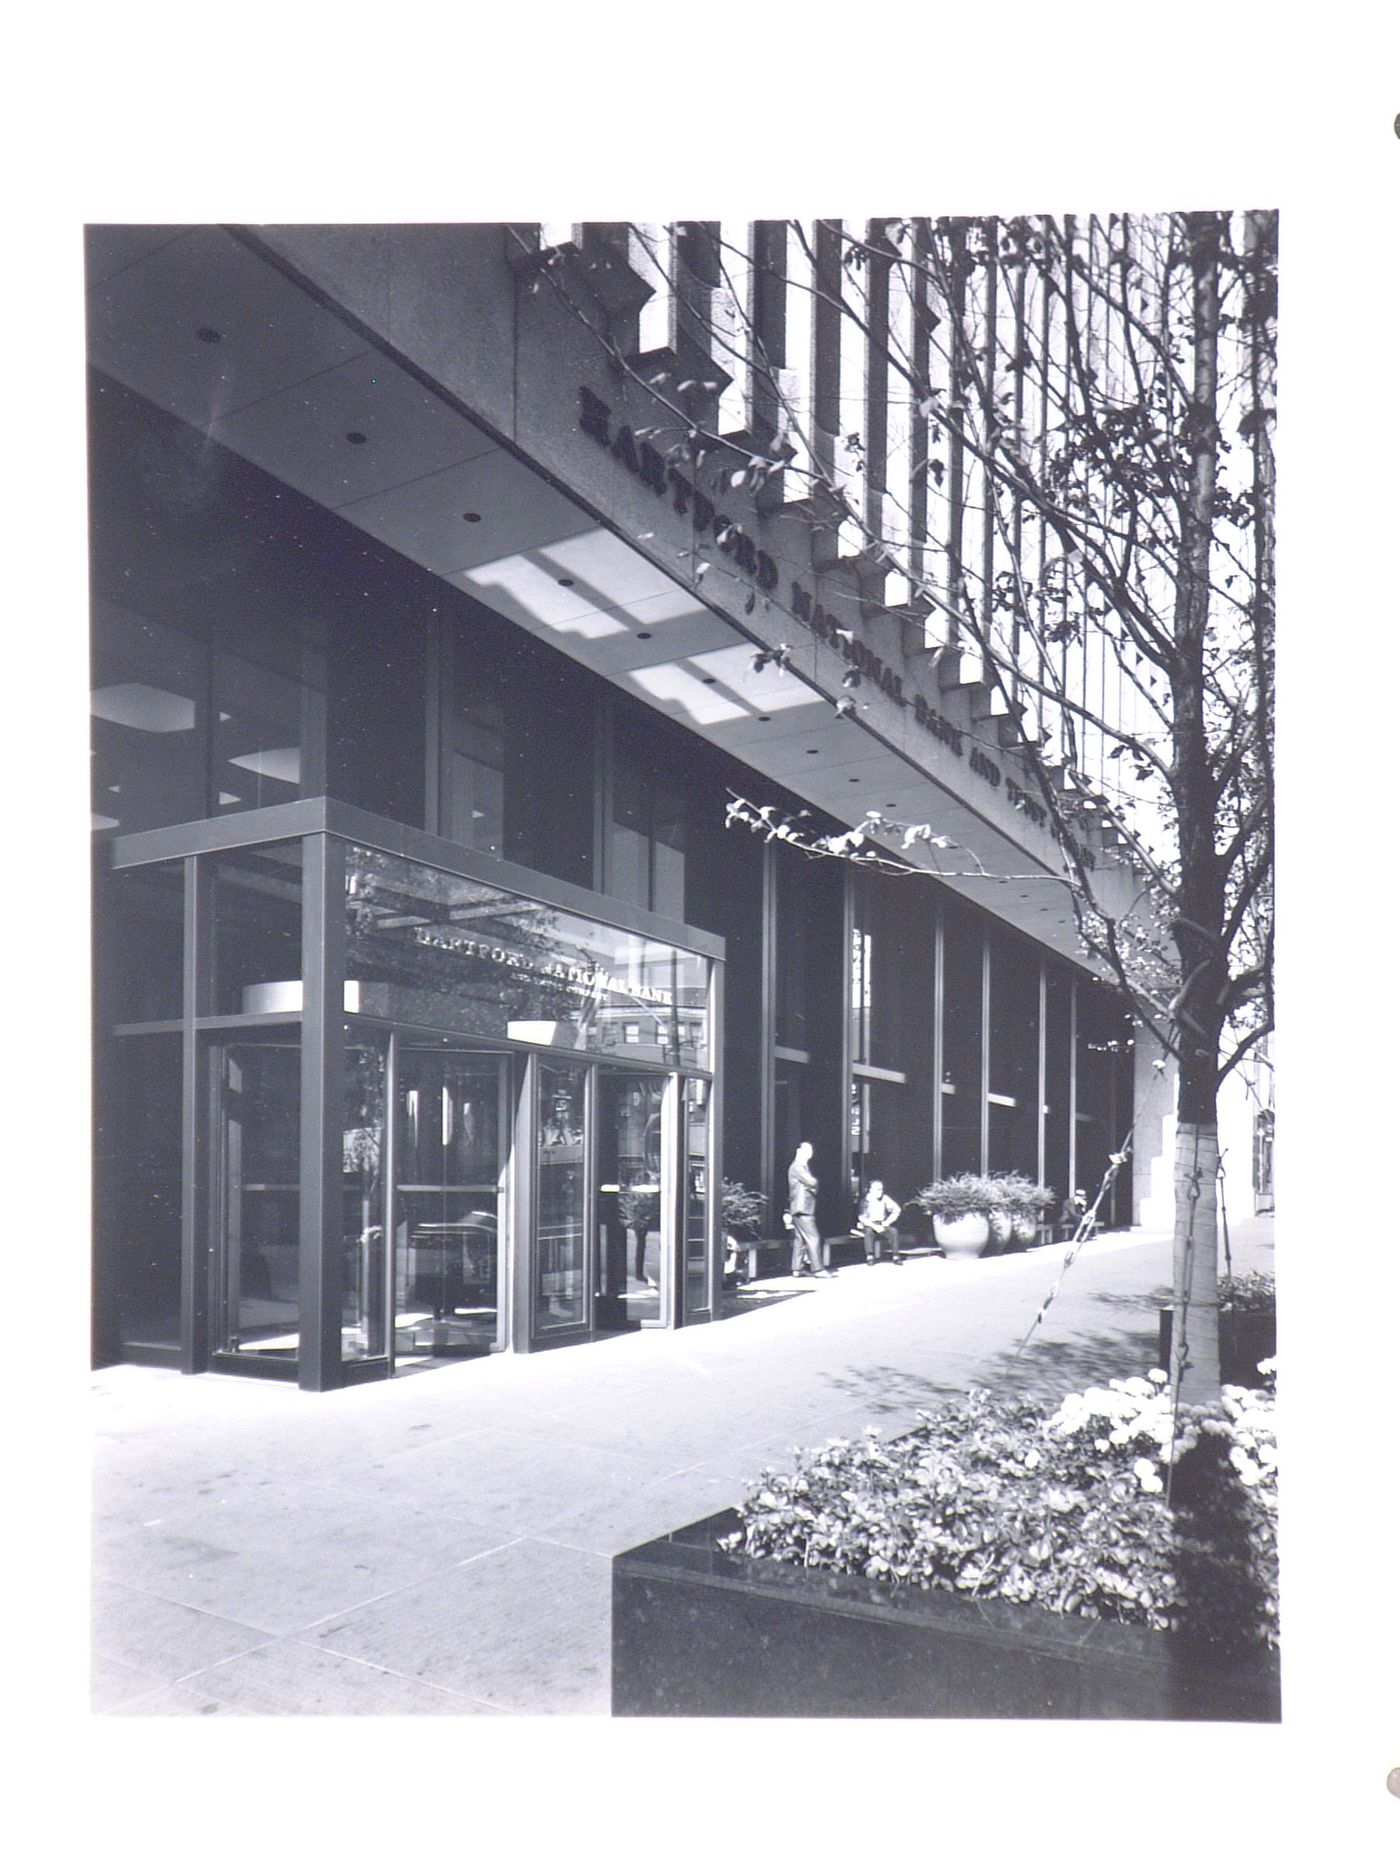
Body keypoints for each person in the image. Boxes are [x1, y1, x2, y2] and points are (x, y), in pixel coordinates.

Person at [787, 1141, 831, 1278]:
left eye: (810, 1150)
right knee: (814, 1237)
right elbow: (812, 1182)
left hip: (799, 1208)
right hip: (803, 1208)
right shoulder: (798, 1167)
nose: (810, 1153)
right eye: (807, 1150)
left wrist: (810, 1186)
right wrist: (813, 1186)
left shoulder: (800, 1167)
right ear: (799, 1151)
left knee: (800, 1239)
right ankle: (818, 1269)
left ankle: (797, 1269)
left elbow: (809, 1184)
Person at [856, 1179, 903, 1263]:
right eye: (878, 1189)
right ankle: (870, 1256)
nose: (880, 1192)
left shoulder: (885, 1198)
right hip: (869, 1224)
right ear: (871, 1190)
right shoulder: (865, 1201)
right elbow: (862, 1217)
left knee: (893, 1231)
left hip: (882, 1223)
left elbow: (897, 1210)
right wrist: (874, 1226)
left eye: (881, 1189)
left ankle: (896, 1256)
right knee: (869, 1232)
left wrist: (887, 1222)